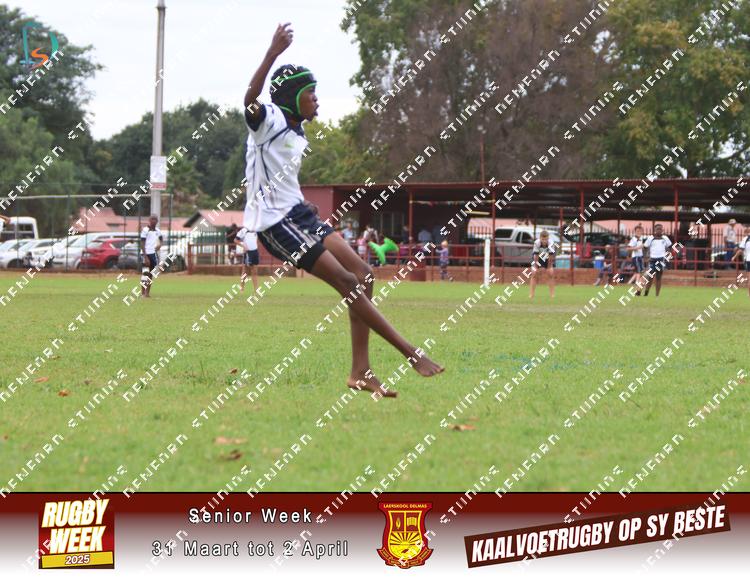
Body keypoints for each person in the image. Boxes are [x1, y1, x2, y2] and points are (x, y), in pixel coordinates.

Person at [241, 23, 443, 398]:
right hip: (275, 223)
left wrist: (300, 200)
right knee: (347, 282)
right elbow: (249, 99)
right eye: (310, 92)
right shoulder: (267, 120)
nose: (317, 99)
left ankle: (360, 371)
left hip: (299, 214)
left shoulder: (297, 130)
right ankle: (410, 352)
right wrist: (272, 53)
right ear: (293, 97)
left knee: (364, 274)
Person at [642, 224, 672, 297]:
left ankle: (657, 295)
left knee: (658, 277)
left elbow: (670, 247)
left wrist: (668, 254)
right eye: (657, 229)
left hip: (661, 260)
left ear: (662, 230)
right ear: (655, 230)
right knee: (650, 277)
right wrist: (645, 257)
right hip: (652, 260)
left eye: (660, 229)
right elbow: (645, 247)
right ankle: (646, 292)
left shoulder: (665, 238)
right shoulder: (650, 238)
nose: (659, 230)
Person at [140, 215, 163, 298]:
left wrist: (159, 245)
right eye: (152, 219)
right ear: (149, 220)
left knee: (150, 274)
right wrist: (145, 257)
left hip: (153, 254)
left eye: (155, 219)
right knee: (145, 273)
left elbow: (161, 240)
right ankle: (142, 293)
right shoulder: (145, 230)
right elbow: (142, 244)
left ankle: (147, 293)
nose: (154, 221)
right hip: (145, 254)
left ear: (157, 221)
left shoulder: (158, 231)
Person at [529, 230, 556, 299]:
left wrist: (548, 267)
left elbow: (551, 256)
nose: (544, 241)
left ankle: (552, 295)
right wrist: (536, 267)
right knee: (534, 273)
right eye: (542, 239)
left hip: (547, 258)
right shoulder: (536, 243)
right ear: (540, 238)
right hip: (537, 258)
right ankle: (531, 294)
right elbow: (536, 256)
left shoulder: (551, 243)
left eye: (546, 239)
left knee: (550, 273)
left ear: (548, 238)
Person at [235, 226, 259, 293]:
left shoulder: (256, 229)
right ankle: (242, 288)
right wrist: (244, 246)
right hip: (248, 252)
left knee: (255, 271)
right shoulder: (243, 230)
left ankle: (256, 290)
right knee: (245, 271)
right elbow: (236, 240)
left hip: (255, 252)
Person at [731, 225, 750, 297]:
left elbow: (740, 250)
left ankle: (749, 293)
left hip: (748, 259)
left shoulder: (746, 239)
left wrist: (734, 257)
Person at [626, 225, 646, 291]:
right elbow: (628, 248)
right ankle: (637, 285)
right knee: (638, 271)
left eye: (640, 231)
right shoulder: (634, 239)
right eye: (637, 231)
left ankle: (632, 283)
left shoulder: (641, 238)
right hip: (636, 257)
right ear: (635, 232)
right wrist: (637, 248)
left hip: (640, 257)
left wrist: (642, 248)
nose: (639, 232)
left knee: (641, 271)